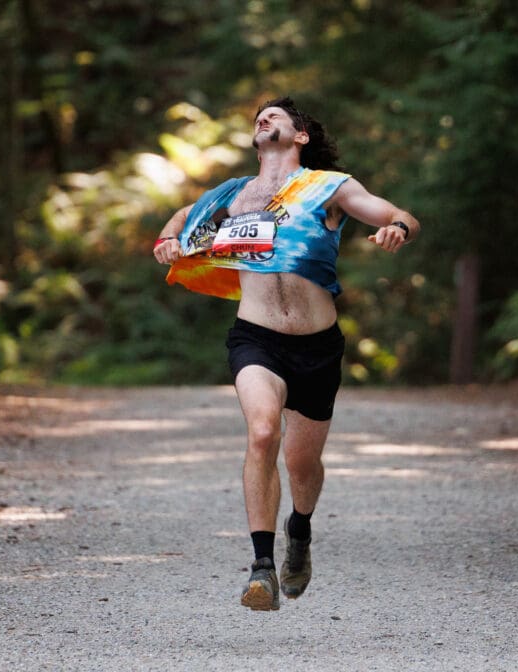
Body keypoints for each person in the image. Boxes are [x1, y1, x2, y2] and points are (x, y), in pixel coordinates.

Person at [153, 96, 420, 611]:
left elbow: (394, 211)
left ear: (300, 136)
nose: (264, 119)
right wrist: (167, 240)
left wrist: (397, 228)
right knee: (261, 432)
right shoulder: (232, 195)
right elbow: (181, 218)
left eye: (277, 115)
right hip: (256, 336)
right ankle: (261, 568)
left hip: (318, 345)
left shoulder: (330, 186)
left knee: (303, 462)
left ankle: (300, 531)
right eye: (259, 117)